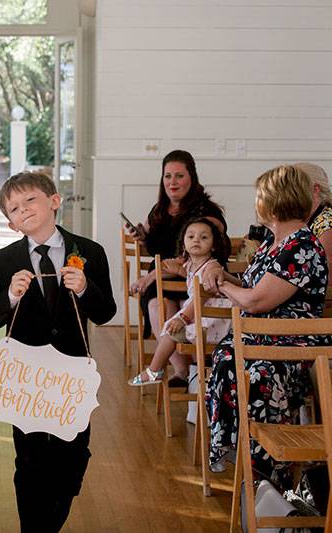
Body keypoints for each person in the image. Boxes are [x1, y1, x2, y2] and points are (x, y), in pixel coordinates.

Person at [0, 171, 115, 532]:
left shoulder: (90, 252)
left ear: (54, 200)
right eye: (15, 209)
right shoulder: (3, 261)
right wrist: (9, 296)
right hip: (25, 378)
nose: (24, 211)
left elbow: (107, 312)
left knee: (73, 456)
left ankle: (48, 522)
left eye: (31, 200)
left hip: (72, 375)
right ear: (10, 223)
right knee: (30, 460)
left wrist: (85, 289)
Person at [203, 165, 327, 486]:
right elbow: (248, 283)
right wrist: (221, 274)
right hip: (257, 345)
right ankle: (249, 463)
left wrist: (225, 287)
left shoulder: (302, 245)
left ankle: (268, 478)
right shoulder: (275, 242)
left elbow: (257, 300)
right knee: (228, 361)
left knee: (254, 373)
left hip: (283, 354)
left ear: (271, 202)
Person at [128, 149, 227, 385]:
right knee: (157, 306)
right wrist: (142, 236)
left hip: (193, 279)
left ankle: (196, 368)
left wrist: (151, 275)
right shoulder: (159, 210)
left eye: (179, 176)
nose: (172, 182)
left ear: (191, 177)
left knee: (185, 308)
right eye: (167, 176)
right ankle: (182, 372)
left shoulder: (206, 212)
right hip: (162, 279)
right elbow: (154, 243)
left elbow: (201, 249)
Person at [128, 217, 231, 385]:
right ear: (184, 244)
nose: (196, 240)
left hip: (215, 319)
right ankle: (174, 372)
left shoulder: (212, 266)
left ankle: (154, 371)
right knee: (170, 328)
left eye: (204, 237)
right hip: (203, 316)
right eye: (191, 237)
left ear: (213, 245)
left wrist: (182, 318)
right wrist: (162, 272)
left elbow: (202, 295)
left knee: (170, 330)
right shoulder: (191, 265)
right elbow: (175, 269)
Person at [296, 162, 332, 311]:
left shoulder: (327, 224)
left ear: (315, 189)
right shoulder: (313, 220)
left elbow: (327, 281)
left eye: (295, 188)